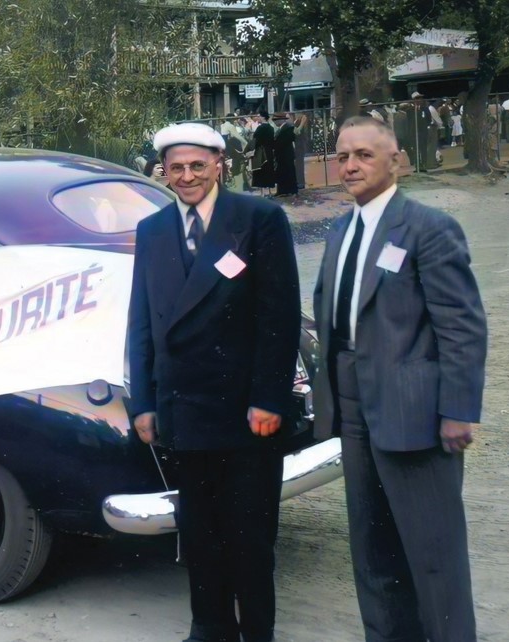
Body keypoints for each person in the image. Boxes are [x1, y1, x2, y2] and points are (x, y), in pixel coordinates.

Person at [312, 117, 487, 642]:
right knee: (372, 548)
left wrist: (458, 410)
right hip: (352, 403)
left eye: (364, 155)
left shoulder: (428, 228)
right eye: (343, 156)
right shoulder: (340, 231)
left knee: (433, 553)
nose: (351, 166)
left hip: (414, 410)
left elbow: (462, 327)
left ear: (396, 161)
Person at [128, 122, 300, 642]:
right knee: (199, 534)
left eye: (197, 166)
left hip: (245, 412)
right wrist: (143, 403)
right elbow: (142, 323)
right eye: (176, 168)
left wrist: (269, 398)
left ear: (220, 164)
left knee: (249, 536)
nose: (187, 177)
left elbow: (279, 318)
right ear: (163, 171)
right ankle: (209, 628)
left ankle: (258, 632)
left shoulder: (258, 219)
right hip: (183, 410)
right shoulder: (152, 230)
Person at [248, 111, 276, 194]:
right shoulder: (271, 128)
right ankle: (270, 191)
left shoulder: (260, 128)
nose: (258, 118)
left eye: (259, 116)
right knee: (269, 170)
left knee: (260, 171)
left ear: (263, 117)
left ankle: (262, 192)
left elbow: (255, 140)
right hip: (269, 151)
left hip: (260, 151)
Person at [273, 113, 299, 197]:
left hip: (286, 154)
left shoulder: (288, 128)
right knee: (281, 173)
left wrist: (276, 144)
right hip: (281, 155)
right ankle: (282, 190)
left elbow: (288, 140)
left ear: (282, 120)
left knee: (289, 172)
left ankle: (292, 190)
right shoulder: (280, 129)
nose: (275, 122)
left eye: (276, 120)